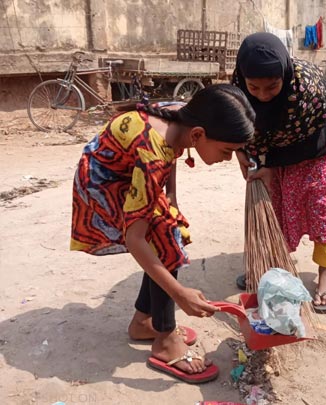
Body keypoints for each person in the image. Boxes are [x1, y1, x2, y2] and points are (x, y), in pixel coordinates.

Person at [70, 84, 255, 383]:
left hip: (131, 169)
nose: (227, 159)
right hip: (104, 181)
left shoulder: (179, 116)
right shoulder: (152, 153)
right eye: (227, 151)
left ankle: (145, 321)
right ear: (198, 135)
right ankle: (165, 340)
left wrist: (171, 197)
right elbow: (135, 239)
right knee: (165, 237)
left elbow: (170, 152)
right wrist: (179, 293)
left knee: (168, 224)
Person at [232, 32, 326, 314]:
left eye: (272, 87)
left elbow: (316, 139)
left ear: (284, 76)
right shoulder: (237, 88)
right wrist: (242, 150)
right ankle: (275, 263)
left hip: (316, 146)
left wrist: (271, 164)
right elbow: (239, 125)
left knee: (320, 204)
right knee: (279, 204)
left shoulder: (307, 88)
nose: (262, 95)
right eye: (254, 88)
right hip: (275, 153)